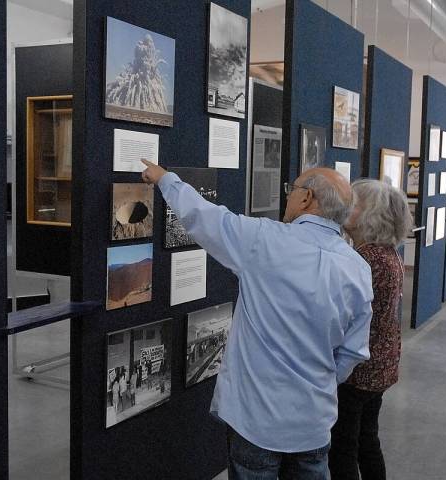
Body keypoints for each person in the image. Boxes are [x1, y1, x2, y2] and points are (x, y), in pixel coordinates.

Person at [141, 159, 372, 479]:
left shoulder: (264, 240)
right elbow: (352, 352)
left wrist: (166, 180)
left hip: (256, 420)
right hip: (313, 423)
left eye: (292, 190)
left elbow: (207, 218)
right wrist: (317, 385)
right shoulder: (358, 268)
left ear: (306, 198)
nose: (289, 196)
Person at [329, 180, 412, 480]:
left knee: (343, 447)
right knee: (366, 439)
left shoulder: (368, 259)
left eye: (354, 204)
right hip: (378, 367)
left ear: (370, 216)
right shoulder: (386, 255)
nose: (344, 208)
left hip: (359, 371)